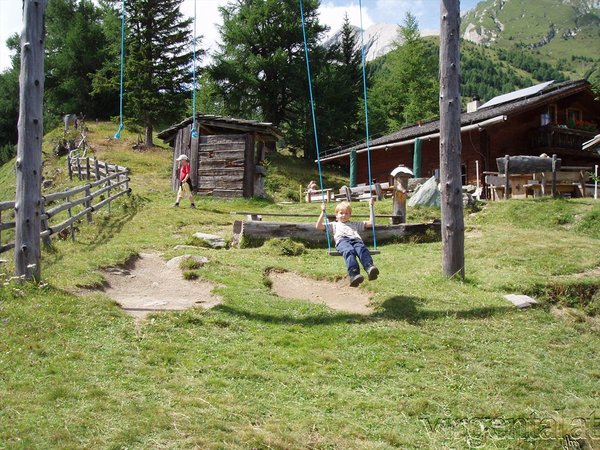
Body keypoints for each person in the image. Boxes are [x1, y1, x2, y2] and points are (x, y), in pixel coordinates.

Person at [315, 198, 379, 287]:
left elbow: (371, 223)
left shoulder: (355, 224)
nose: (344, 215)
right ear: (336, 215)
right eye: (341, 213)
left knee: (362, 249)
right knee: (349, 251)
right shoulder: (334, 224)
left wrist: (371, 206)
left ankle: (369, 268)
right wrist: (323, 211)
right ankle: (354, 274)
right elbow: (318, 226)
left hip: (356, 240)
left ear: (350, 215)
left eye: (346, 213)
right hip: (342, 241)